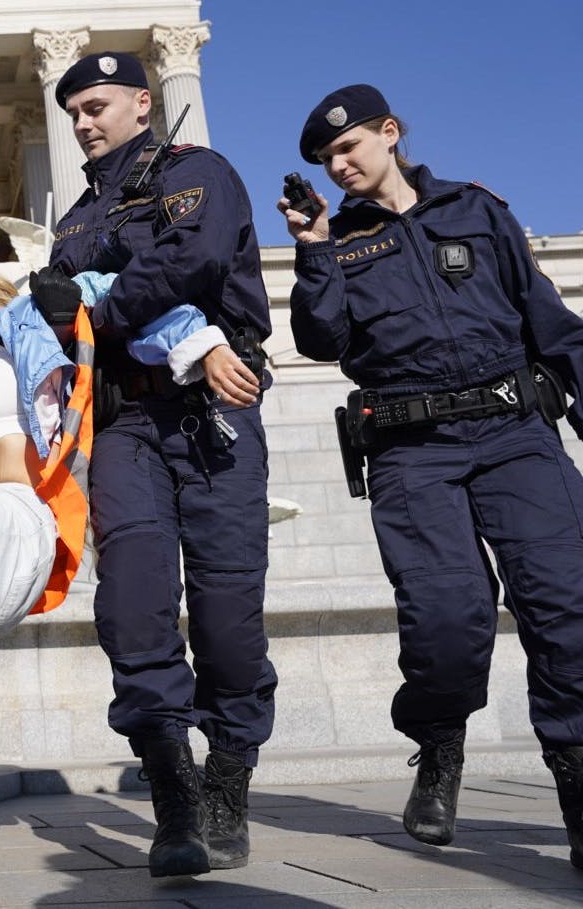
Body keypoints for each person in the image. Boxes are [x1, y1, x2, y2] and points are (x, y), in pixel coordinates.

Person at [283, 84, 583, 864]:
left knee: (567, 608)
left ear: (389, 133)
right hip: (413, 450)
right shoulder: (338, 244)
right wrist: (313, 250)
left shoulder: (478, 210)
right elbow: (319, 340)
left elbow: (547, 318)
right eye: (326, 157)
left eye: (349, 147)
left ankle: (578, 783)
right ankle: (441, 745)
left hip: (515, 433)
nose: (339, 164)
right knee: (447, 618)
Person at [47, 51, 276, 877]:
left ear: (143, 103)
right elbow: (52, 315)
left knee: (227, 612)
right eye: (73, 110)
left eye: (98, 105)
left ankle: (228, 774)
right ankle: (173, 792)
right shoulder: (70, 219)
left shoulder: (195, 171)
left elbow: (193, 261)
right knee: (134, 604)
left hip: (212, 410)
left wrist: (95, 307)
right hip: (123, 422)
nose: (83, 121)